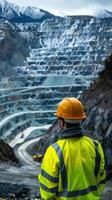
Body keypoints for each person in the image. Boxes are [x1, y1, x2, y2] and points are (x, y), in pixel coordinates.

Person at [38, 97, 106, 200]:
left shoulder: (54, 151)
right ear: (81, 120)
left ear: (62, 122)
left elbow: (47, 192)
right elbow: (101, 181)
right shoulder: (95, 146)